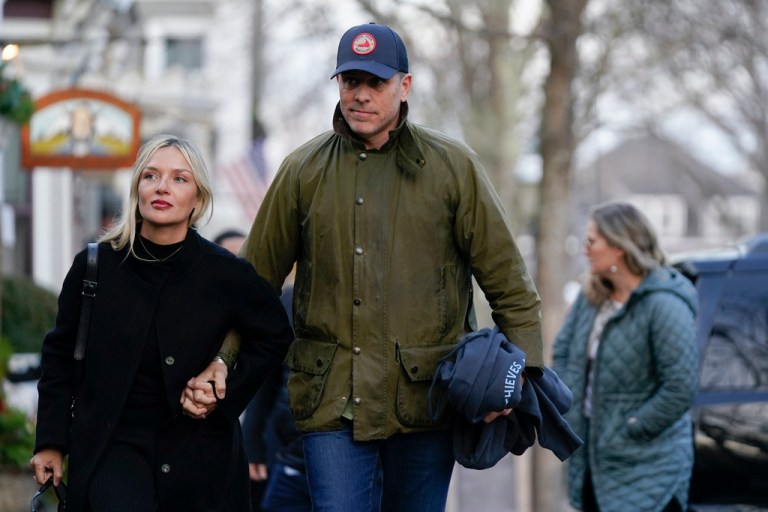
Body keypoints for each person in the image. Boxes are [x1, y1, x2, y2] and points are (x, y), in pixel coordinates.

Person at [185, 22, 542, 512]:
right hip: (330, 400)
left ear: (405, 86)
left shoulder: (454, 168)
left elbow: (510, 286)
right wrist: (221, 361)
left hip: (426, 400)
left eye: (375, 82)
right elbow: (253, 285)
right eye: (350, 81)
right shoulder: (301, 171)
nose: (361, 95)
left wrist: (519, 376)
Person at [29, 134, 293, 511]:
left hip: (201, 458)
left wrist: (225, 382)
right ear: (137, 187)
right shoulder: (96, 266)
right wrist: (51, 441)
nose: (162, 187)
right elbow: (58, 357)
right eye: (151, 176)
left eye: (179, 179)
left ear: (198, 198)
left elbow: (274, 334)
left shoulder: (225, 273)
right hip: (112, 450)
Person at [552, 201, 699, 512]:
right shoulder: (590, 297)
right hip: (593, 462)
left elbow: (679, 387)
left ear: (619, 247)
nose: (585, 249)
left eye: (592, 241)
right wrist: (568, 408)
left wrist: (631, 427)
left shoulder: (664, 305)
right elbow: (563, 352)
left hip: (650, 470)